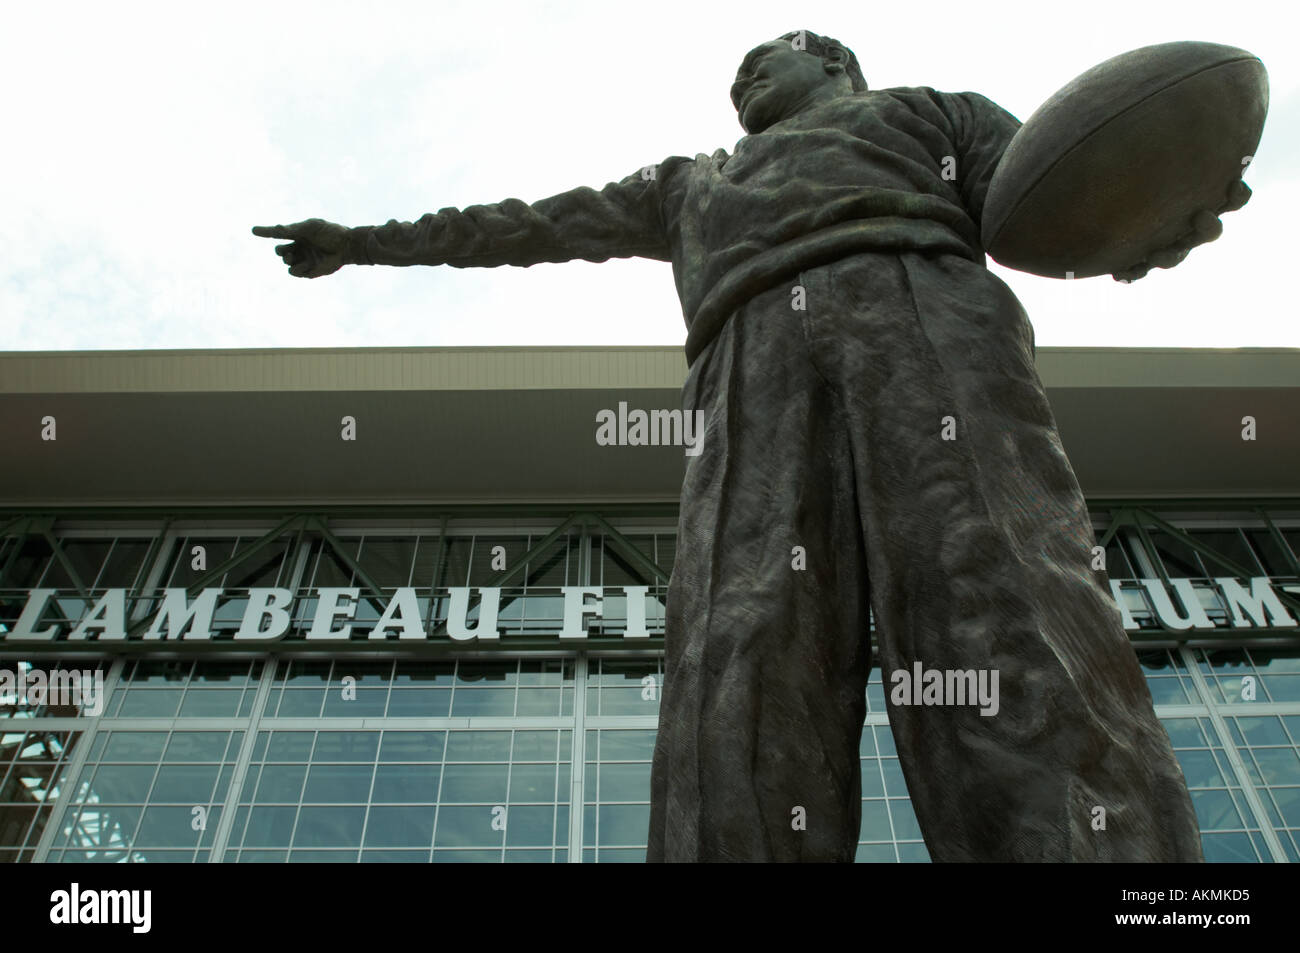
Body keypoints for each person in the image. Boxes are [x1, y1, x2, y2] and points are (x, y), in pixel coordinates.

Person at [254, 30, 1205, 862]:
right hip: (748, 366)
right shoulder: (690, 183)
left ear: (833, 59)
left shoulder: (930, 115)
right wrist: (365, 243)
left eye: (763, 61)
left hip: (929, 320)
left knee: (998, 590)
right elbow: (527, 224)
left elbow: (1053, 201)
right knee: (739, 649)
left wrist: (1152, 212)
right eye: (735, 79)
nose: (742, 82)